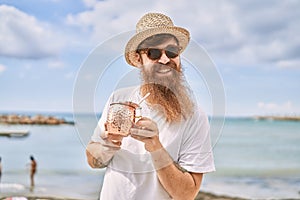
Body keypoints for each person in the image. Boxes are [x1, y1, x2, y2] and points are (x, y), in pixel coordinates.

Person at [86, 13, 215, 200]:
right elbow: (92, 161)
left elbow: (187, 194)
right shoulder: (119, 98)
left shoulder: (194, 116)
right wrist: (109, 144)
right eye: (154, 53)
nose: (164, 59)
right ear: (139, 59)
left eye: (172, 51)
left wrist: (155, 145)